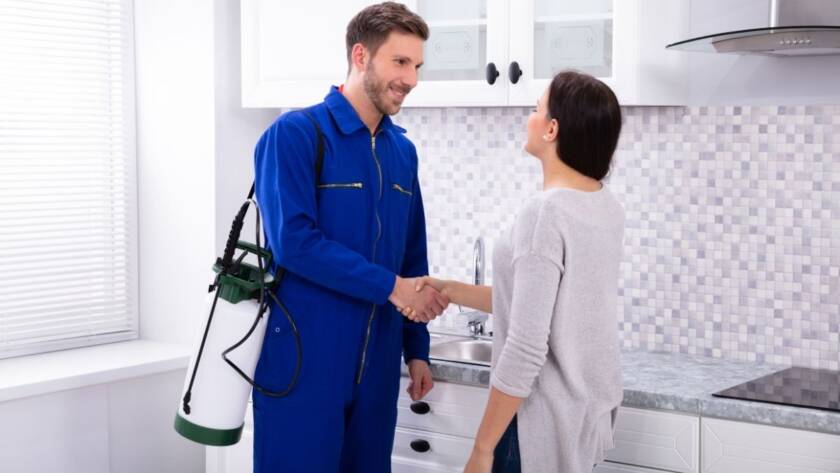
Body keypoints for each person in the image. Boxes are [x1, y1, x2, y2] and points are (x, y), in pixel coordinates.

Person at [251, 3, 448, 472]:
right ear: (361, 56)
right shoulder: (295, 134)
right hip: (304, 366)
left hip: (378, 371)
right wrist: (390, 287)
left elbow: (411, 254)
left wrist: (417, 349)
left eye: (417, 66)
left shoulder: (403, 152)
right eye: (400, 62)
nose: (411, 79)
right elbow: (294, 242)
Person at [410, 70, 626, 473]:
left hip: (534, 423)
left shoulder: (545, 213)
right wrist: (451, 290)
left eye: (536, 108)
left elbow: (526, 346)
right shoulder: (605, 205)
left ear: (552, 129)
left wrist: (482, 448)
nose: (529, 117)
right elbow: (545, 303)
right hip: (580, 419)